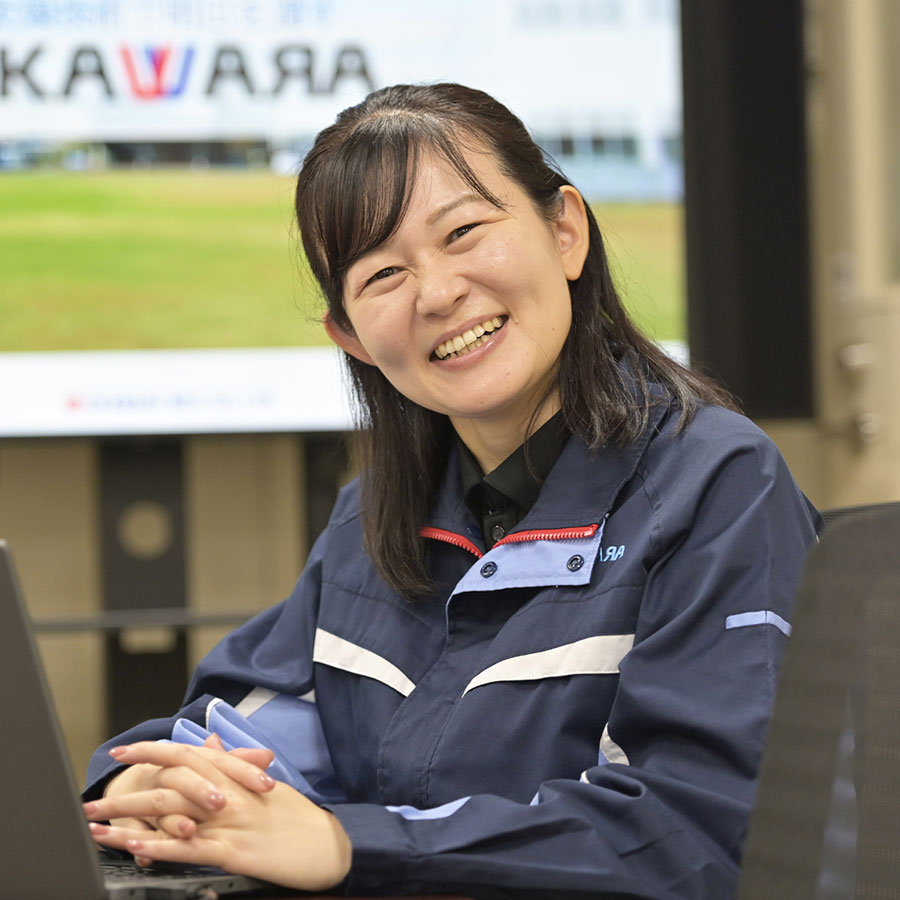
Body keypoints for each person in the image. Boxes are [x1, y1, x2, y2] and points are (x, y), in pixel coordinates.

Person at [83, 83, 821, 899]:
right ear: (351, 337)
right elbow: (242, 729)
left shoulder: (715, 483)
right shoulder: (372, 520)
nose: (437, 294)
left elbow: (703, 831)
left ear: (565, 232)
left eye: (463, 232)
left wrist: (350, 845)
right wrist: (150, 789)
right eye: (383, 273)